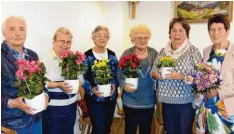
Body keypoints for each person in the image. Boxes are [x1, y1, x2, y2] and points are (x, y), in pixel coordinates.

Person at [151, 17, 202, 134]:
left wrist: (183, 76)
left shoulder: (193, 51)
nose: (177, 34)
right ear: (169, 33)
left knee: (184, 131)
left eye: (181, 31)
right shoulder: (163, 51)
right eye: (174, 30)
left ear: (186, 33)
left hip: (185, 102)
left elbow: (200, 77)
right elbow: (153, 70)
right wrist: (156, 74)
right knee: (170, 130)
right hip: (166, 100)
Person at [1, 16, 49, 134]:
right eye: (12, 29)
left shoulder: (33, 55)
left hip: (36, 119)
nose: (17, 33)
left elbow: (42, 82)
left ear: (26, 33)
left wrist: (46, 95)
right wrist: (12, 103)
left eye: (21, 29)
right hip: (12, 124)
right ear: (3, 33)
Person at [40, 27, 84, 134]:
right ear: (54, 41)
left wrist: (77, 85)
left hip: (71, 108)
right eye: (61, 41)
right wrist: (58, 85)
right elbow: (40, 83)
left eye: (68, 42)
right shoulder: (43, 59)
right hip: (51, 110)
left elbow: (81, 80)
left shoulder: (74, 59)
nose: (65, 44)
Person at [196, 14, 234, 134]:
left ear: (227, 31)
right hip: (207, 106)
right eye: (212, 29)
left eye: (219, 29)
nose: (215, 33)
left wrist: (218, 91)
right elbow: (202, 76)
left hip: (226, 109)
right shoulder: (206, 51)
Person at [118, 24, 158, 134]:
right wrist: (124, 85)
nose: (142, 40)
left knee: (146, 130)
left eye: (145, 38)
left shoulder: (154, 53)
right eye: (139, 38)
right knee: (130, 129)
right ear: (133, 39)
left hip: (148, 101)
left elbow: (159, 72)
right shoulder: (127, 53)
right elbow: (119, 73)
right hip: (130, 101)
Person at [82, 25, 118, 134]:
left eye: (105, 36)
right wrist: (91, 89)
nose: (102, 38)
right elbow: (82, 76)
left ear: (108, 39)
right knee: (99, 128)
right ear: (93, 38)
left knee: (107, 126)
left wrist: (114, 85)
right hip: (94, 99)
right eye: (98, 36)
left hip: (110, 98)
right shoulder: (87, 56)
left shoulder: (112, 55)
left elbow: (116, 74)